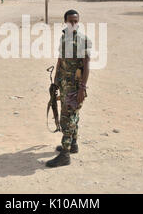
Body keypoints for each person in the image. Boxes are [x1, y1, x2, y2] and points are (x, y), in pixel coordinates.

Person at [46, 9, 92, 168]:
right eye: (70, 20)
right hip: (64, 84)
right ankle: (73, 145)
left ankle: (65, 154)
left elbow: (86, 66)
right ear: (65, 21)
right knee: (73, 115)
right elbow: (60, 60)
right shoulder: (64, 37)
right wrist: (56, 82)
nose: (73, 23)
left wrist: (82, 88)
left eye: (76, 21)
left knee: (68, 118)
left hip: (75, 86)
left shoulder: (82, 40)